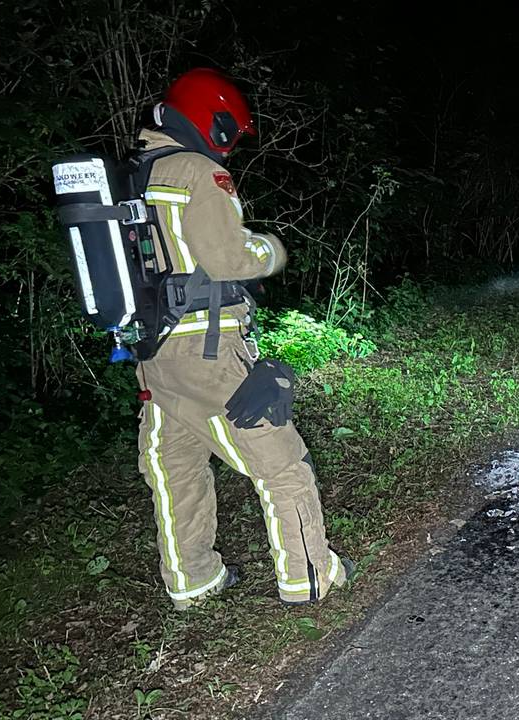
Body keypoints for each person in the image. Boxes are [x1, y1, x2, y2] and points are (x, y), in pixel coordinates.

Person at [135, 68, 353, 607]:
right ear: (215, 122)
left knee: (174, 466)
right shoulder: (198, 172)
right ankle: (310, 576)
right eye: (230, 134)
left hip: (156, 353)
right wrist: (270, 251)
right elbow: (229, 258)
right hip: (207, 348)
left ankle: (192, 581)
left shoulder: (136, 173)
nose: (230, 147)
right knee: (281, 463)